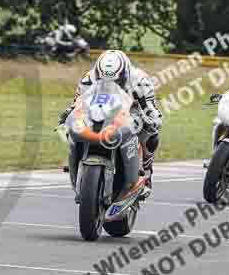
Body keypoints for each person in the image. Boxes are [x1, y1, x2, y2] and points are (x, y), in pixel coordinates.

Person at [59, 50, 163, 192]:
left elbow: (150, 109)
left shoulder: (140, 81)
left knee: (151, 132)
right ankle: (74, 156)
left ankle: (146, 167)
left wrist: (151, 119)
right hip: (99, 109)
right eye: (103, 79)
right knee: (72, 124)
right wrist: (68, 114)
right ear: (97, 73)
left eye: (115, 80)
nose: (109, 83)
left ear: (125, 74)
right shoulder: (88, 79)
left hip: (130, 111)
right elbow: (77, 104)